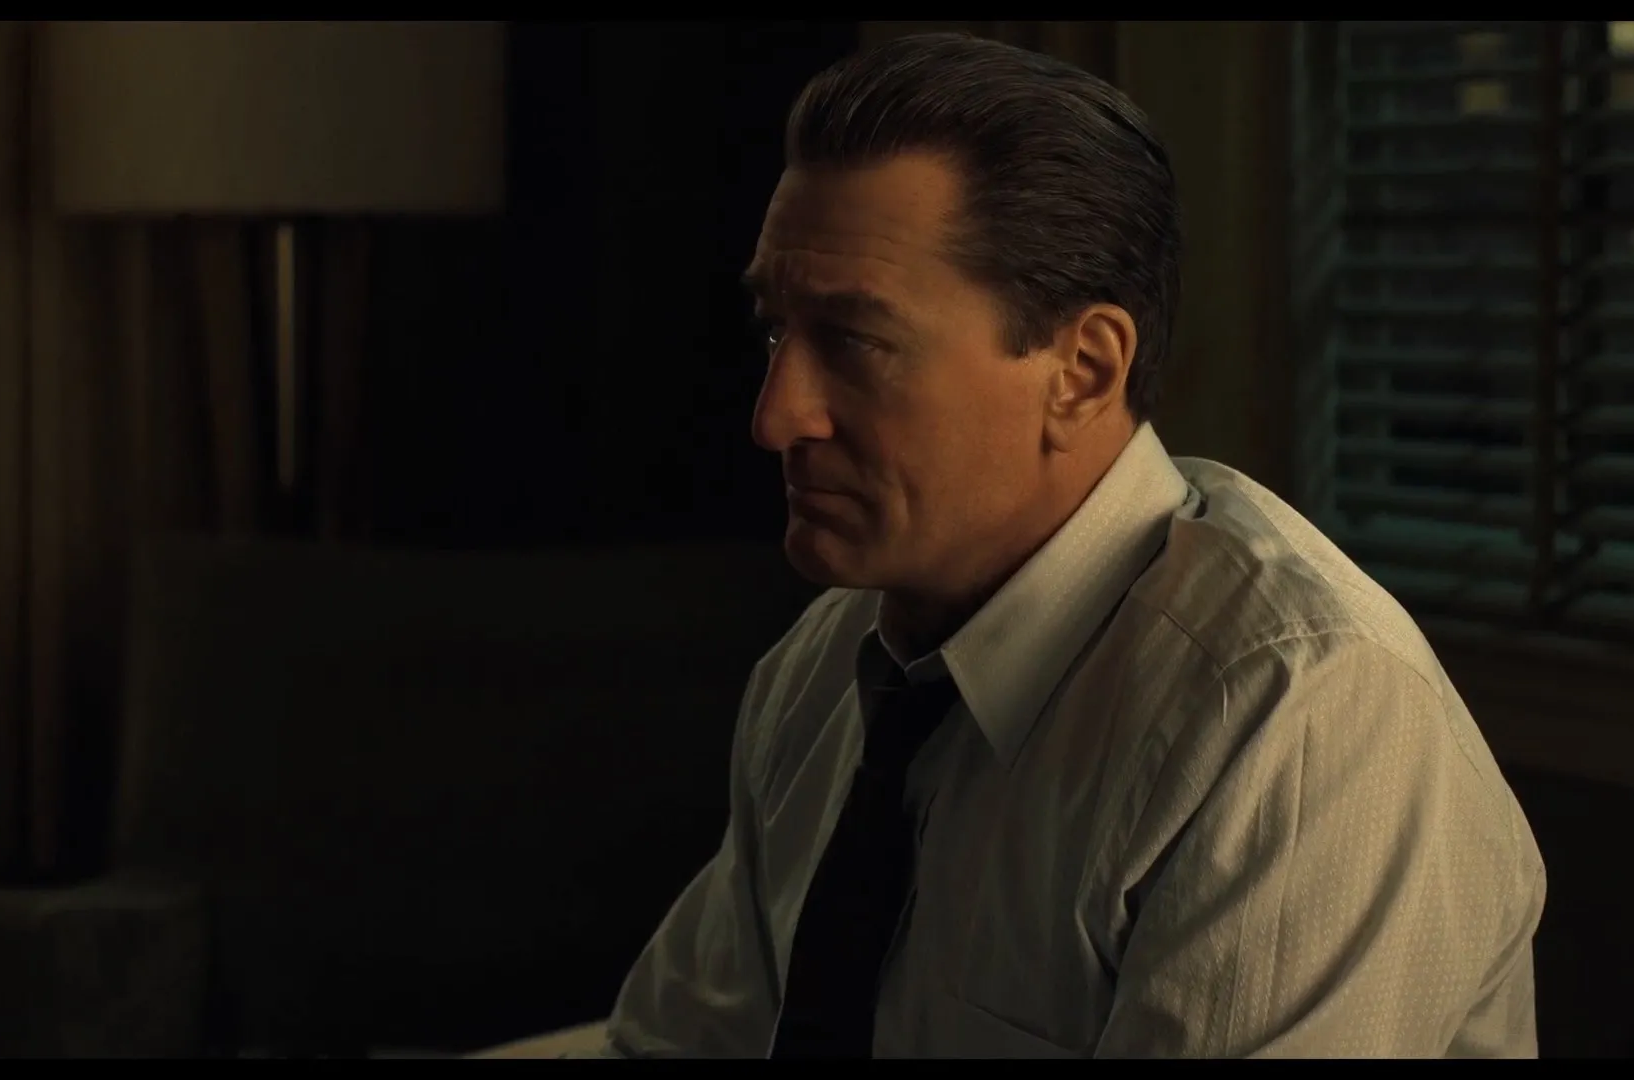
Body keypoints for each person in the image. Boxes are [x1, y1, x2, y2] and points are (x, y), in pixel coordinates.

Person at [598, 32, 1546, 1059]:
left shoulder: (1298, 715)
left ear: (1083, 371)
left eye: (857, 342)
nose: (776, 416)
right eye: (777, 332)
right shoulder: (825, 670)